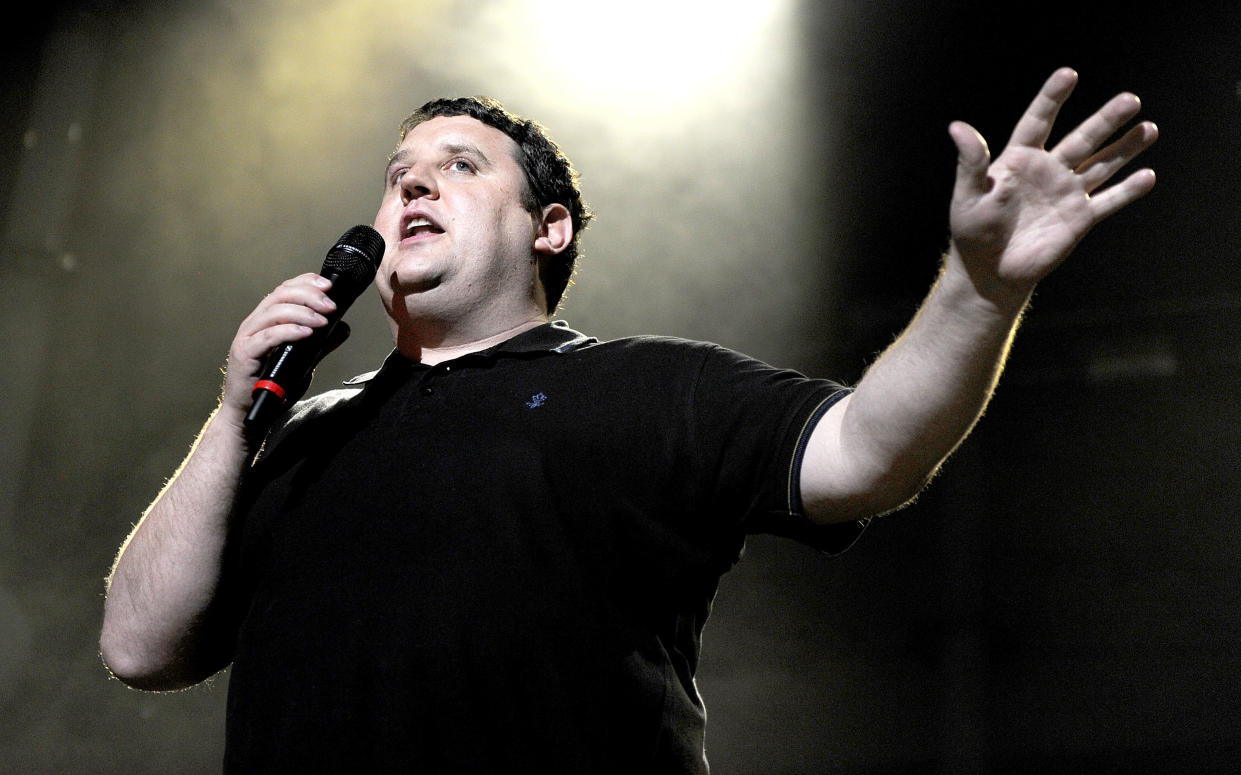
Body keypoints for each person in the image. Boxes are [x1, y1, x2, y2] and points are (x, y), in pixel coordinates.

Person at [100, 68, 1157, 772]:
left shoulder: (649, 387)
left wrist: (977, 290)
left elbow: (867, 455)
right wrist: (238, 411)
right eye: (397, 177)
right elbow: (139, 645)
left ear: (547, 226)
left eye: (460, 167)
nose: (415, 182)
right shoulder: (300, 432)